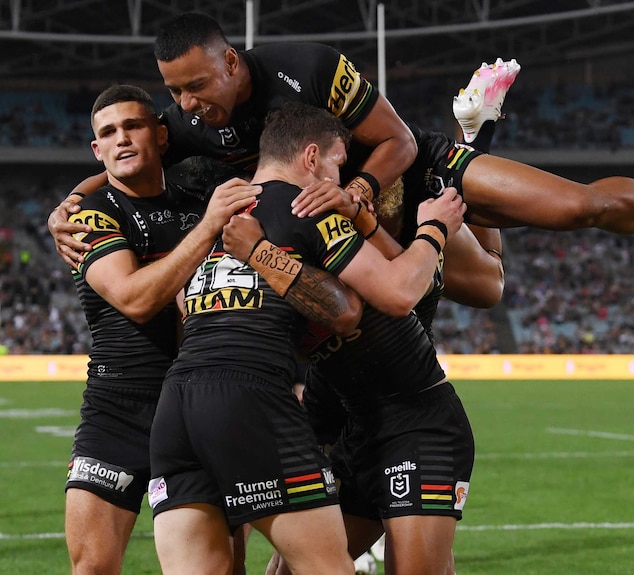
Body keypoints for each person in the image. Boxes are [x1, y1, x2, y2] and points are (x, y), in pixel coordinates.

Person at [48, 12, 634, 271]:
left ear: (231, 61)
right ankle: (484, 123)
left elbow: (401, 141)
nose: (186, 104)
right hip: (343, 231)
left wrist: (358, 191)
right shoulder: (182, 125)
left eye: (196, 85)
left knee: (574, 212)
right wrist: (66, 207)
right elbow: (124, 165)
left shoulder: (308, 68)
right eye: (174, 92)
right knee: (483, 285)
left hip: (403, 179)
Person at [148, 101, 466, 575]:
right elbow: (367, 302)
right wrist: (434, 229)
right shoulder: (302, 208)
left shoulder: (220, 216)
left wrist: (428, 226)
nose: (342, 184)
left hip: (414, 423)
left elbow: (415, 289)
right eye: (340, 164)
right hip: (342, 418)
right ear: (313, 158)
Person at [61, 83, 262, 575]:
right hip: (118, 407)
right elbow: (136, 298)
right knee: (92, 566)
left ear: (161, 136)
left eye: (133, 126)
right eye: (108, 133)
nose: (121, 139)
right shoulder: (89, 215)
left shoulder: (197, 197)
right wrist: (208, 227)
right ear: (96, 149)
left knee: (221, 567)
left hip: (198, 405)